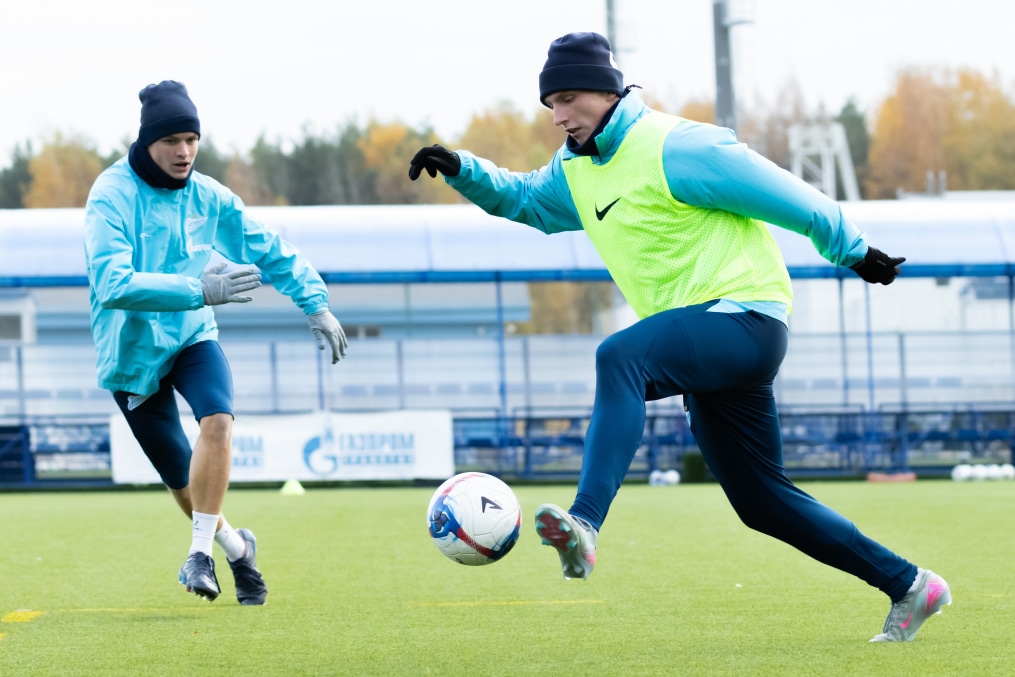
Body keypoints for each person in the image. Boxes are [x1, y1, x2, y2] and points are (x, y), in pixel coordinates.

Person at [409, 32, 951, 642]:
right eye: (550, 105)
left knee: (620, 357)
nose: (559, 116)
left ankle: (584, 526)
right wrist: (463, 169)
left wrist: (853, 251)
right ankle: (910, 585)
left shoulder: (676, 147)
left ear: (607, 90)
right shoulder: (577, 168)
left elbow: (789, 195)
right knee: (762, 502)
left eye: (568, 99)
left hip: (746, 318)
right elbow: (529, 202)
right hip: (707, 346)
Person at [84, 80, 348, 605]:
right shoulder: (109, 195)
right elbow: (111, 283)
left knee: (218, 418)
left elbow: (268, 247)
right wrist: (198, 288)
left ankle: (199, 555)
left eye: (191, 139)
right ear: (146, 143)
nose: (184, 152)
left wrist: (314, 301)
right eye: (171, 142)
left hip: (191, 336)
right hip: (132, 356)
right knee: (184, 482)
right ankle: (234, 546)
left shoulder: (208, 196)